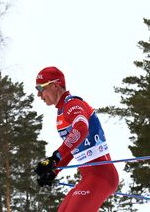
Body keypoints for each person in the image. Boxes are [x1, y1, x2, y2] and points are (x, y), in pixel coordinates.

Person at [33, 66, 119, 212]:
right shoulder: (61, 112)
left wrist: (55, 157)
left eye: (41, 89)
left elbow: (81, 129)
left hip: (101, 174)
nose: (39, 95)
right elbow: (74, 146)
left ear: (55, 85)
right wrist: (55, 170)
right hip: (88, 176)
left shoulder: (72, 104)